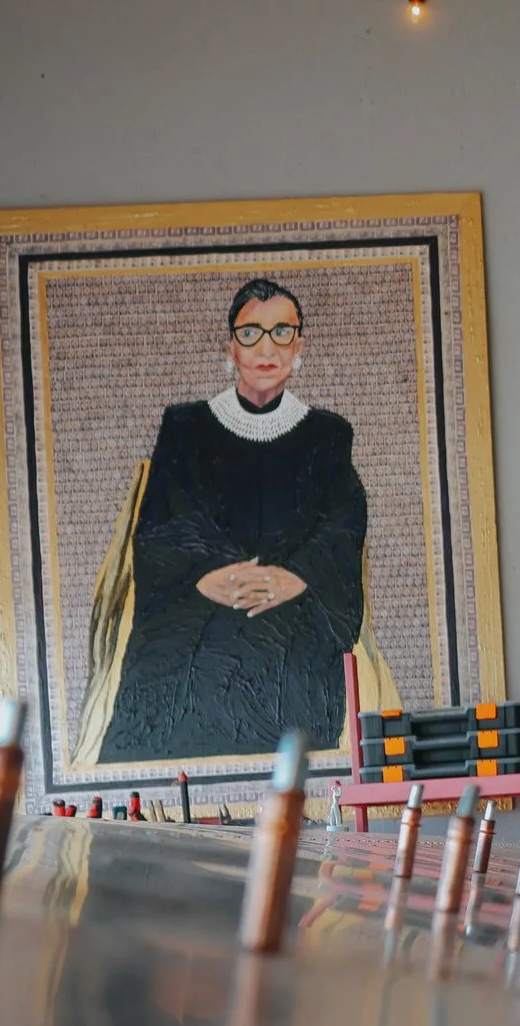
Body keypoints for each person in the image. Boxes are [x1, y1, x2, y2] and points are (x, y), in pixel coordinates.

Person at [79, 277, 378, 765]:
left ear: (299, 345)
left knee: (287, 680)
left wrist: (296, 577)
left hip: (292, 617)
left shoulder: (328, 436)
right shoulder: (185, 428)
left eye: (282, 332)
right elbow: (160, 530)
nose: (267, 348)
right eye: (251, 333)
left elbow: (342, 531)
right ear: (230, 348)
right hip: (195, 611)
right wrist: (206, 575)